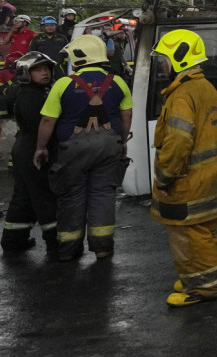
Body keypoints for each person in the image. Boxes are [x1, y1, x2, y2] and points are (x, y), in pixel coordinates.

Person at [34, 34, 133, 261]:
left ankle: (69, 250)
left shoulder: (63, 84)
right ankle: (102, 248)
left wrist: (41, 147)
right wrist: (123, 140)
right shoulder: (117, 81)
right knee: (103, 195)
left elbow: (48, 121)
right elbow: (126, 115)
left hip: (72, 149)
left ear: (78, 57)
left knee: (71, 196)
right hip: (109, 147)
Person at [149, 29, 217, 307]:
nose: (163, 65)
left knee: (188, 236)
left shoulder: (182, 95)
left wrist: (164, 176)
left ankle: (202, 289)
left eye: (165, 59)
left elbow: (178, 142)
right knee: (203, 232)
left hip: (187, 182)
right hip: (209, 178)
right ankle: (195, 277)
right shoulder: (205, 88)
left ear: (179, 59)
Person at [1, 52, 58, 256]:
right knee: (45, 196)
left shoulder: (30, 92)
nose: (45, 73)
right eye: (38, 70)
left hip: (25, 148)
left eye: (46, 69)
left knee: (24, 197)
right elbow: (40, 127)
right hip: (34, 150)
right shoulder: (31, 96)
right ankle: (56, 243)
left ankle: (13, 241)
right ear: (25, 72)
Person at [0, 15, 36, 83]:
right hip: (12, 63)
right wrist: (11, 31)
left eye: (18, 21)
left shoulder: (31, 34)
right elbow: (4, 42)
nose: (15, 23)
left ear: (25, 23)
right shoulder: (13, 33)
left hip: (25, 62)